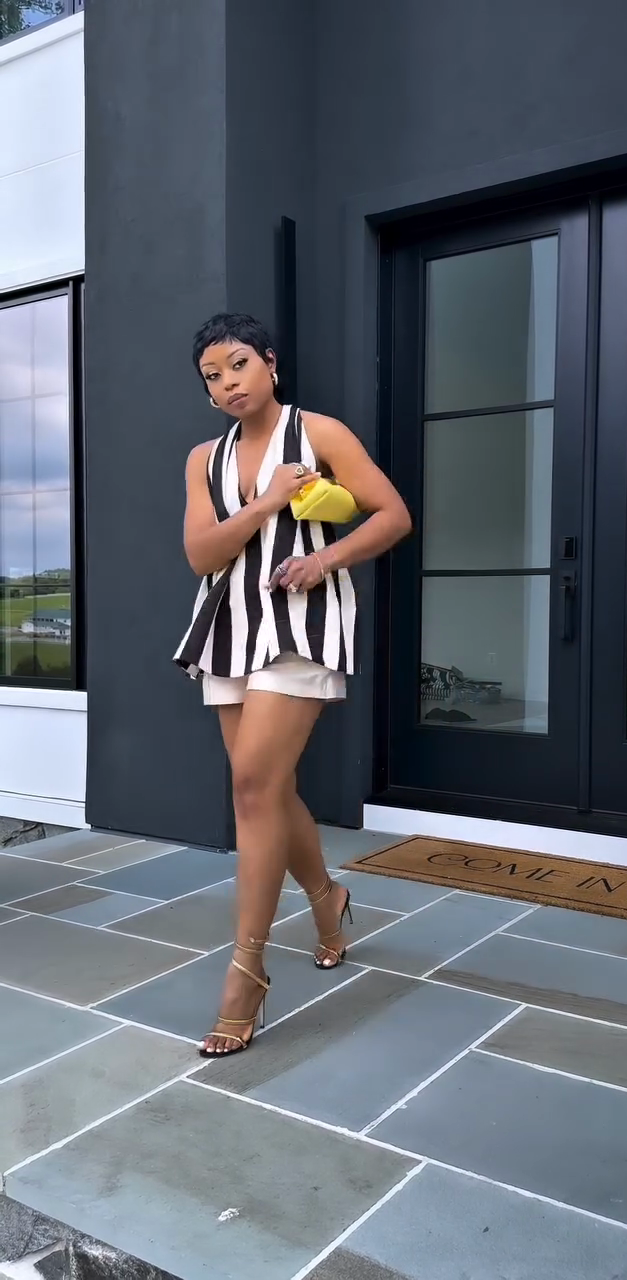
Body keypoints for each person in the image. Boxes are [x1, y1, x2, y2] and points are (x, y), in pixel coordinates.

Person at [174, 313, 411, 1056]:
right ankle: (327, 901)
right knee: (268, 791)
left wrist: (323, 560)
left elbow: (393, 516)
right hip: (228, 630)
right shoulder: (203, 460)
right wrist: (268, 502)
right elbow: (201, 555)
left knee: (252, 785)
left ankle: (247, 971)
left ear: (270, 363)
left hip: (301, 627)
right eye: (213, 376)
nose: (228, 383)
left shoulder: (321, 433)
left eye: (239, 364)